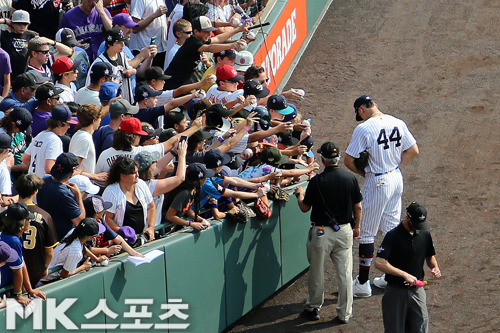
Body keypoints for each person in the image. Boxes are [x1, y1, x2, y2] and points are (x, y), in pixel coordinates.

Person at [344, 95, 419, 297]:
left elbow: (348, 160)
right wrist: (394, 167)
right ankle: (390, 277)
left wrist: (363, 173)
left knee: (367, 233)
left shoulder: (364, 128)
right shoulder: (397, 122)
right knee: (391, 229)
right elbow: (413, 150)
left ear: (361, 109)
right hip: (396, 179)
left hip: (377, 182)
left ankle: (362, 284)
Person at [294, 141, 362, 323]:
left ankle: (314, 307)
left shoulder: (316, 181)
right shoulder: (350, 179)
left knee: (316, 272)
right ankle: (345, 314)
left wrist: (299, 194)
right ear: (338, 158)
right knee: (345, 274)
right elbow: (358, 207)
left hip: (322, 233)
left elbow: (304, 208)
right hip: (345, 230)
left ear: (323, 160)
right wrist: (357, 227)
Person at [374, 202, 441, 333]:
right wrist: (404, 274)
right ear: (408, 218)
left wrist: (435, 267)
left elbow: (429, 256)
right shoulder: (393, 236)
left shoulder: (424, 234)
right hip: (395, 291)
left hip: (417, 290)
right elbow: (379, 262)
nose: (418, 228)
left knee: (421, 328)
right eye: (415, 224)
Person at [164, 15, 248, 90]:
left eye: (210, 31)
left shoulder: (199, 39)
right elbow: (210, 48)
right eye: (206, 31)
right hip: (171, 84)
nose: (210, 34)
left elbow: (217, 39)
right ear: (196, 31)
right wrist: (233, 45)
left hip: (182, 84)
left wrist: (238, 30)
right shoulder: (192, 43)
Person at [16, 174, 58, 287]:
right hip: (34, 272)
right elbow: (49, 252)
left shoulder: (6, 214)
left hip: (11, 272)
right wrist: (45, 267)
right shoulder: (45, 216)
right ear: (35, 192)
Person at [0, 203, 46, 306]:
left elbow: (21, 263)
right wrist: (19, 295)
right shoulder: (13, 240)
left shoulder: (12, 235)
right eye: (28, 219)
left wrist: (30, 289)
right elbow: (17, 271)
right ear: (22, 225)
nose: (30, 221)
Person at [134, 139, 186, 226]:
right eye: (153, 161)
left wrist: (174, 151)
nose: (156, 162)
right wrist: (182, 155)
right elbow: (180, 178)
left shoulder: (139, 179)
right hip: (149, 229)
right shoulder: (150, 185)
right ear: (150, 167)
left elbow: (158, 166)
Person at [102, 156, 156, 240]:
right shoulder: (111, 191)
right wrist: (122, 231)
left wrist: (151, 227)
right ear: (123, 176)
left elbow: (151, 207)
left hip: (142, 237)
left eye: (137, 172)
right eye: (133, 173)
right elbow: (107, 218)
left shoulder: (141, 184)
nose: (137, 175)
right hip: (121, 241)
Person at [36, 152, 85, 240]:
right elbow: (80, 221)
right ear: (72, 171)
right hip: (60, 240)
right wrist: (78, 196)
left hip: (44, 234)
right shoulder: (64, 194)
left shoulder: (44, 180)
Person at [22, 106, 78, 178]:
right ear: (60, 124)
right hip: (43, 184)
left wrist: (37, 170)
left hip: (32, 182)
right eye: (68, 124)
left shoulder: (40, 134)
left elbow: (24, 159)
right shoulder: (55, 140)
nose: (69, 127)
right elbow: (49, 168)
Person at [42, 218, 103, 282]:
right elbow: (64, 274)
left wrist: (96, 259)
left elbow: (83, 248)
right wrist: (83, 267)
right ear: (91, 237)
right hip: (46, 279)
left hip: (44, 270)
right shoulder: (76, 251)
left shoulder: (73, 232)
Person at [165, 163, 211, 232]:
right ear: (198, 180)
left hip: (173, 228)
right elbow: (169, 216)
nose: (207, 178)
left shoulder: (193, 189)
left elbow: (187, 209)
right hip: (164, 231)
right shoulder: (184, 193)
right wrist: (191, 223)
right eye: (205, 177)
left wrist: (201, 220)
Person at [69, 103, 108, 182]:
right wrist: (95, 176)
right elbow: (73, 170)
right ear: (94, 120)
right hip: (81, 186)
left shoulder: (80, 134)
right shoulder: (84, 139)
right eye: (99, 118)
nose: (100, 121)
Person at [0, 10, 38, 77]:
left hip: (24, 74)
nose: (22, 27)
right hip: (7, 73)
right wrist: (5, 21)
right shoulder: (5, 35)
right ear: (13, 24)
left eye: (25, 24)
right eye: (19, 24)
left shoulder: (31, 36)